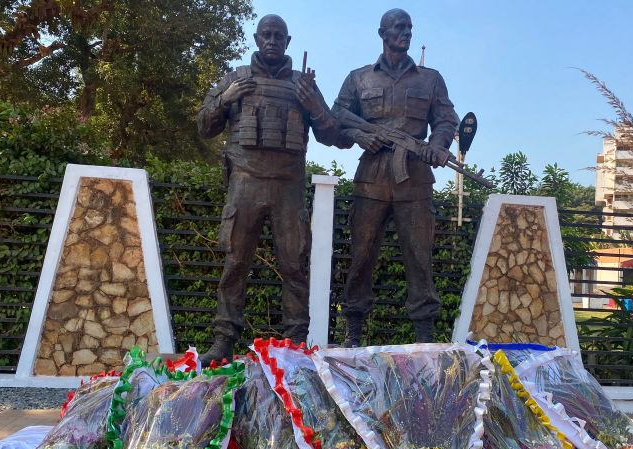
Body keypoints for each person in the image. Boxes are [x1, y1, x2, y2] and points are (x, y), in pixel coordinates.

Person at [197, 14, 340, 364]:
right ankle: (223, 340)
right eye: (266, 34)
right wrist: (224, 99)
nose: (272, 40)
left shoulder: (302, 85)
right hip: (244, 182)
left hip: (288, 187)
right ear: (257, 38)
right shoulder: (235, 79)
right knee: (235, 264)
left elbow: (332, 135)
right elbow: (204, 126)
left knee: (294, 264)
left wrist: (315, 106)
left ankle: (295, 340)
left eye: (279, 35)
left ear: (288, 42)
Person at [332, 8, 459, 345]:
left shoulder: (430, 79)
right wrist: (360, 136)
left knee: (419, 257)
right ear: (382, 33)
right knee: (360, 256)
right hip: (370, 177)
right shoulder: (358, 78)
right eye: (399, 27)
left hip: (414, 179)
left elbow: (446, 119)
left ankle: (424, 337)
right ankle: (353, 331)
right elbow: (335, 121)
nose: (406, 33)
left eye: (409, 28)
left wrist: (437, 144)